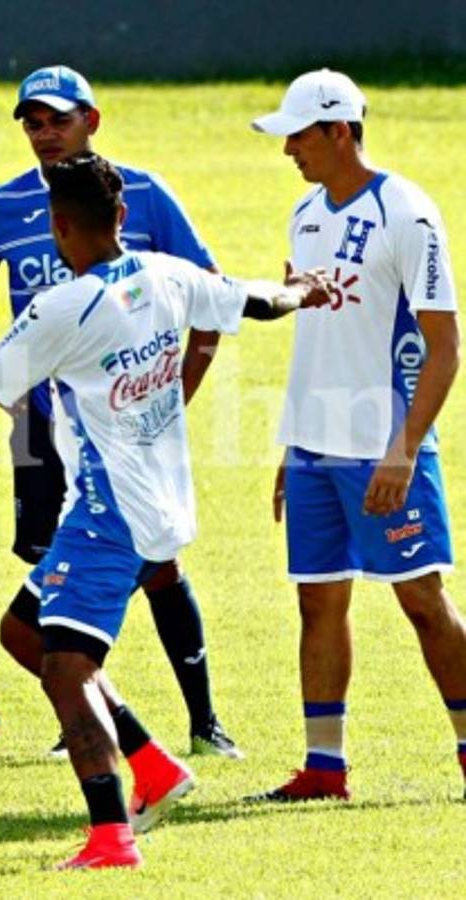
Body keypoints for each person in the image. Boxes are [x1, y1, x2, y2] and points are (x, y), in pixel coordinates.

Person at [0, 155, 329, 868]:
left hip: (107, 515)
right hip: (164, 505)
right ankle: (153, 766)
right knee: (22, 632)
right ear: (120, 217)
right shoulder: (166, 275)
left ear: (56, 227)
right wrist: (300, 289)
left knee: (65, 667)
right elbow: (256, 301)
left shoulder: (60, 307)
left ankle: (111, 838)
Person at [0, 65, 241, 757]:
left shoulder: (141, 197)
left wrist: (174, 393)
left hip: (132, 430)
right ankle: (80, 720)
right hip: (49, 431)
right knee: (51, 568)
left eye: (58, 119)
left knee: (159, 567)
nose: (45, 134)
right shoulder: (3, 205)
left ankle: (204, 723)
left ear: (91, 121)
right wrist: (9, 388)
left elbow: (213, 298)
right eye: (32, 122)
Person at [248, 69, 466, 802]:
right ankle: (323, 768)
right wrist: (290, 444)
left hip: (383, 448)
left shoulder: (408, 214)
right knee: (317, 602)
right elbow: (317, 336)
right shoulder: (303, 214)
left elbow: (444, 347)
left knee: (421, 601)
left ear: (339, 130)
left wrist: (402, 450)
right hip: (312, 449)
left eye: (298, 136)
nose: (287, 151)